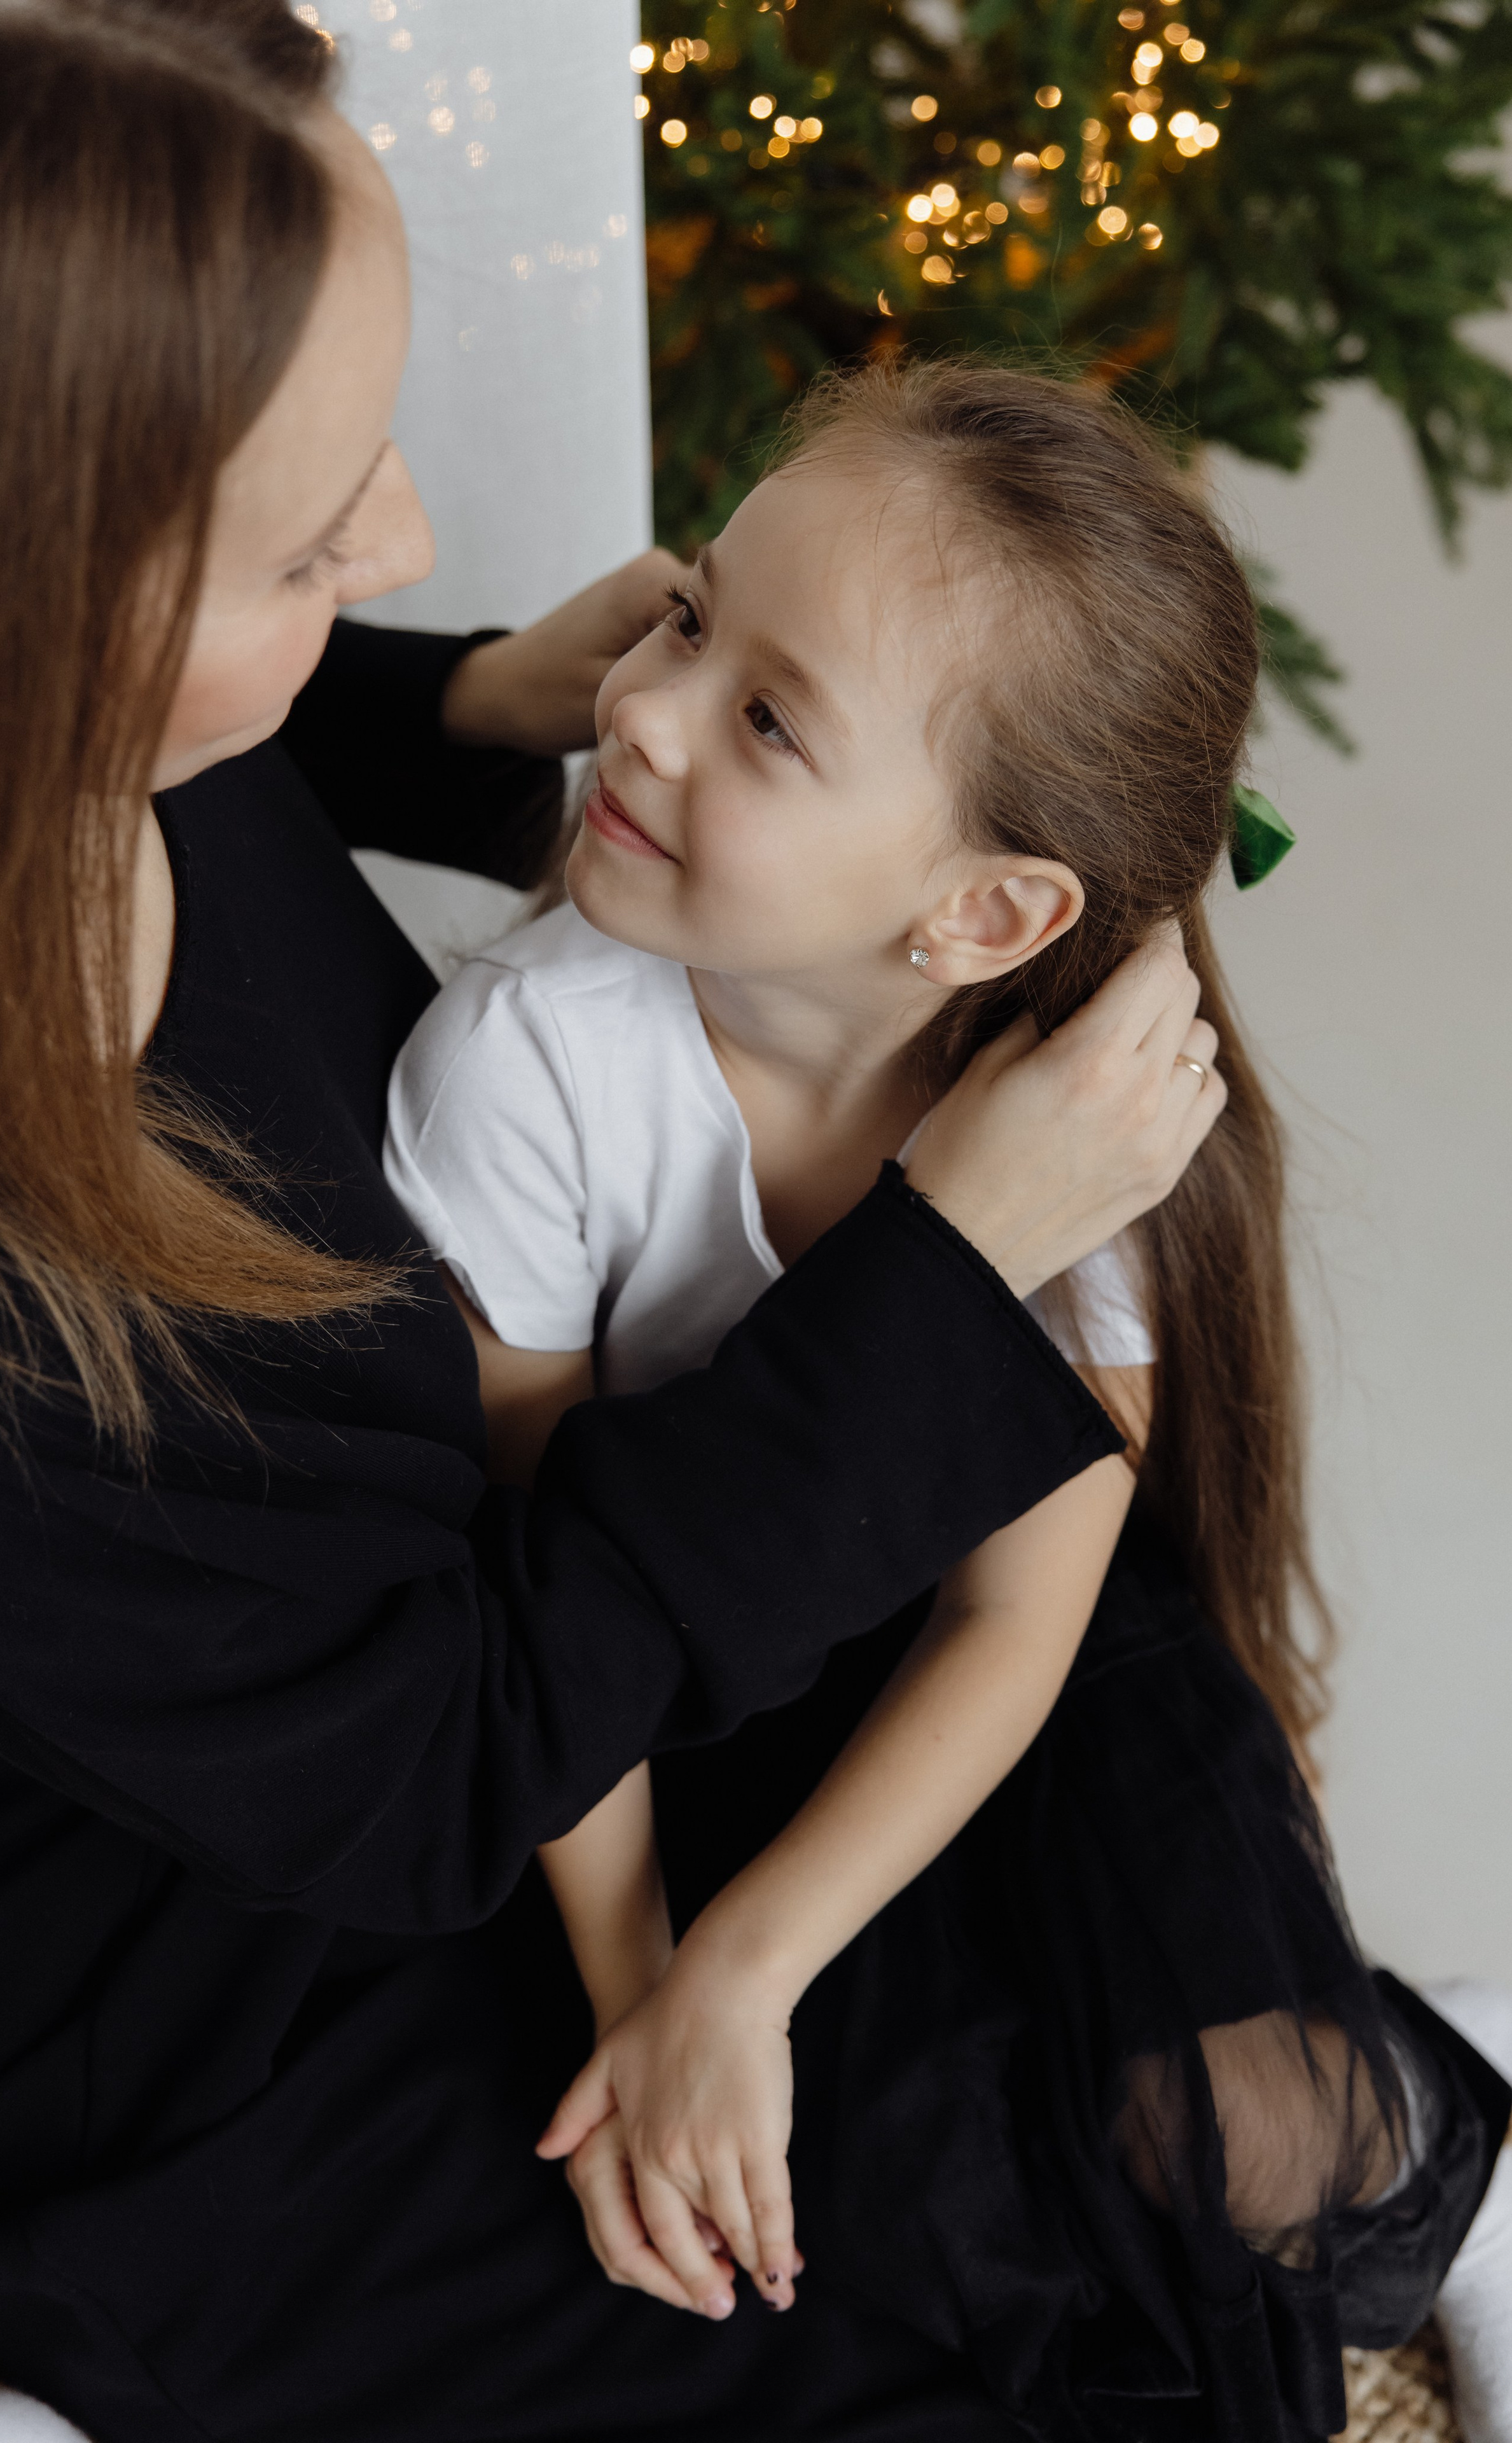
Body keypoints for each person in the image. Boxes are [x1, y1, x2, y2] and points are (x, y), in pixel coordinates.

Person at [0, 8, 1236, 2440]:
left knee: (1070, 2099)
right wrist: (937, 1279)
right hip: (186, 2006)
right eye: (312, 537)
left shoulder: (50, 745)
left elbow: (203, 725)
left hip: (491, 1723)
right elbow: (437, 1765)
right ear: (26, 605)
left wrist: (461, 703)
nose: (406, 537)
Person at [385, 361, 1512, 2440]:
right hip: (660, 1705)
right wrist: (658, 1989)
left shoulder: (1080, 1124)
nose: (642, 710)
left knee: (1240, 2156)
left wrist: (756, 1967)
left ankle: (1445, 2103)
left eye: (769, 718)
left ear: (982, 915)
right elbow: (547, 1608)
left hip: (996, 1703)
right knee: (762, 2245)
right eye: (692, 617)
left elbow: (1018, 1620)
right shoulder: (530, 1068)